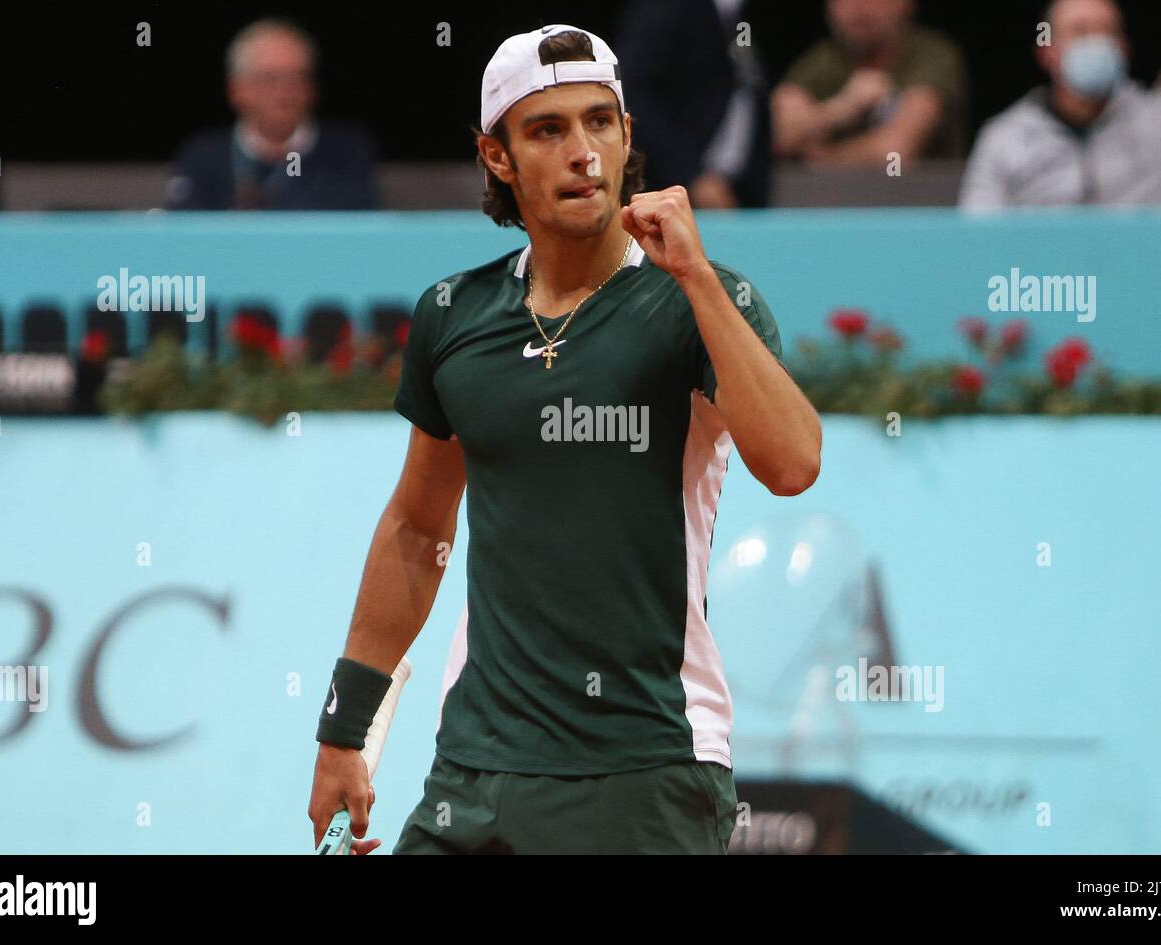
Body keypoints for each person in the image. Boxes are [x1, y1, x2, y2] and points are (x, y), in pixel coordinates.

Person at [306, 24, 822, 855]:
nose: (584, 151)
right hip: (473, 771)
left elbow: (794, 463)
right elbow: (417, 528)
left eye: (601, 122)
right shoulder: (453, 315)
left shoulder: (702, 299)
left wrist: (695, 278)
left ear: (627, 137)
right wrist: (344, 730)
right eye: (548, 130)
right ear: (497, 156)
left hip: (646, 767)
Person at [960, 0, 1161, 208]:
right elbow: (977, 237)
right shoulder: (1004, 137)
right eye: (1080, 31)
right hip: (1048, 285)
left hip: (1144, 280)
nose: (1095, 42)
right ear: (1046, 51)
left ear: (1124, 49)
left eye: (1107, 31)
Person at [167, 19, 378, 210]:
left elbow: (350, 230)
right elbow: (184, 233)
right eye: (269, 79)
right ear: (237, 90)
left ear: (313, 89)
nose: (285, 93)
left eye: (297, 78)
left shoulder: (346, 152)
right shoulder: (203, 155)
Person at [771, 0, 968, 165]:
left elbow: (895, 152)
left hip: (915, 203)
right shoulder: (823, 60)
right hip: (827, 203)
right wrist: (841, 109)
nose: (858, 7)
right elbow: (776, 136)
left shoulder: (931, 54)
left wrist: (827, 158)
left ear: (905, 4)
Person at [617, 0, 771, 208]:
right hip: (678, 197)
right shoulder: (668, 7)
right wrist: (690, 176)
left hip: (740, 193)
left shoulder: (742, 16)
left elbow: (743, 85)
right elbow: (633, 94)